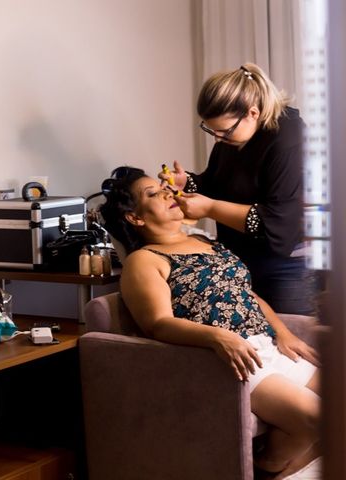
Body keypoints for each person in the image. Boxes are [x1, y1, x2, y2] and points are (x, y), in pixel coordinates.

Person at [101, 166, 320, 479]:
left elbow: (247, 294)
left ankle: (280, 467)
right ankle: (268, 467)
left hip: (266, 346)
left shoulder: (207, 241)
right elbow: (157, 324)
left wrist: (284, 334)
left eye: (164, 187)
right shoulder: (145, 260)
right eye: (153, 194)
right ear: (135, 218)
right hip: (228, 360)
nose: (167, 193)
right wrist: (220, 337)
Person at [159, 63, 313, 315]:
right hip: (239, 258)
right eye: (211, 129)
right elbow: (218, 183)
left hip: (284, 265)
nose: (217, 138)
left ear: (253, 113)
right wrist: (187, 182)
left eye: (223, 130)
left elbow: (275, 222)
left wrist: (209, 207)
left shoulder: (289, 140)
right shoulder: (234, 137)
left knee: (291, 343)